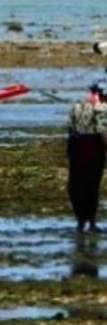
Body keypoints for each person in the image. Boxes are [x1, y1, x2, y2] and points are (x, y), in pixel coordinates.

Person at [67, 82, 107, 232]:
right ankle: (91, 221)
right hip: (93, 148)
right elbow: (103, 131)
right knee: (92, 185)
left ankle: (80, 221)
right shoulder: (102, 108)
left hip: (75, 147)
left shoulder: (76, 106)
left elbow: (70, 129)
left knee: (76, 184)